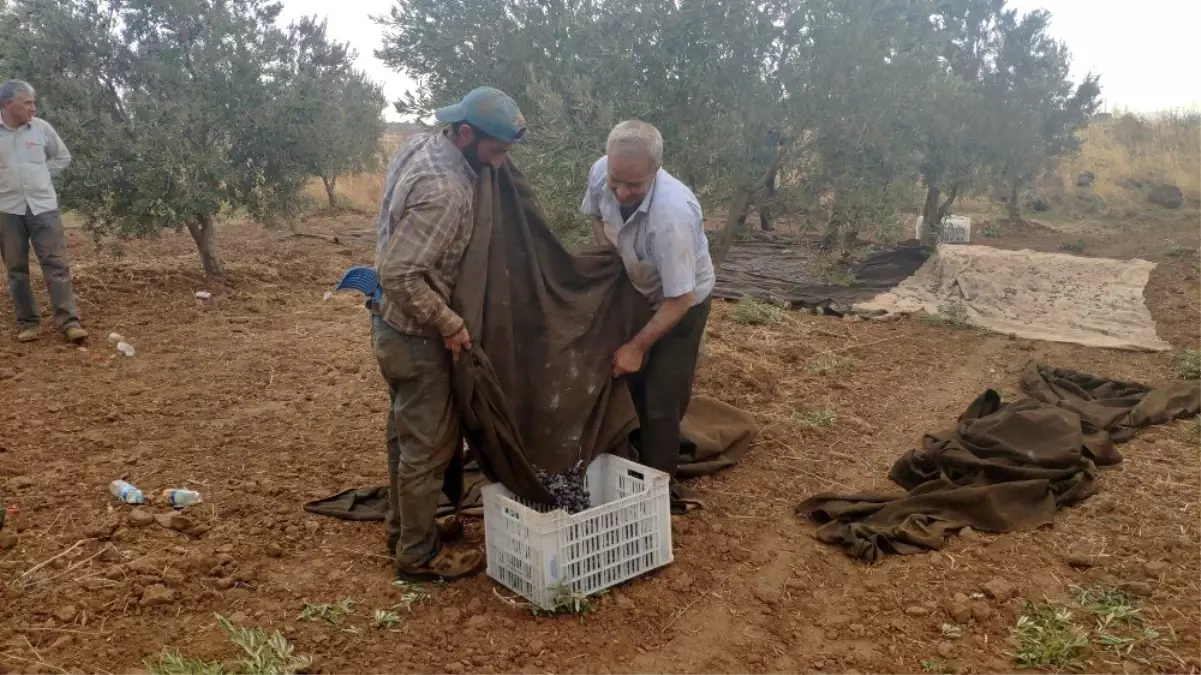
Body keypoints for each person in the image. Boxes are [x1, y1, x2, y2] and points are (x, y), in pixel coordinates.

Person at [373, 86, 525, 581]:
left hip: (390, 327)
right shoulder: (447, 191)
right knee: (431, 446)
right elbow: (398, 273)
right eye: (495, 152)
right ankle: (418, 556)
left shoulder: (421, 143)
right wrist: (451, 323)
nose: (500, 165)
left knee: (405, 434)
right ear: (465, 133)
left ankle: (403, 529)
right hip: (416, 336)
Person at [581, 120, 715, 512]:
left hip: (682, 302)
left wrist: (637, 347)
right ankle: (627, 460)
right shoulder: (601, 172)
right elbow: (595, 216)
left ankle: (658, 495)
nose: (621, 193)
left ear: (655, 171)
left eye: (633, 186)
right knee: (629, 383)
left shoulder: (671, 217)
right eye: (616, 181)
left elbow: (679, 298)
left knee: (661, 397)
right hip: (637, 283)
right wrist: (610, 262)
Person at [0, 80, 86, 344]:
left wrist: (42, 176)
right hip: (6, 209)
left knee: (56, 266)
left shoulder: (41, 129)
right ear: (7, 104)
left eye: (33, 102)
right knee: (16, 269)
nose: (33, 108)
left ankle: (69, 322)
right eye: (27, 103)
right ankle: (29, 323)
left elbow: (62, 157)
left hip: (43, 207)